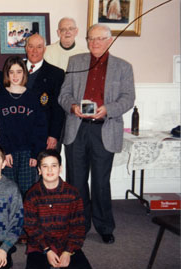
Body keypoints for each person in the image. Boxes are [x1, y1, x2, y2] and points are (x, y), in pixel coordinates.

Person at [58, 24, 135, 244]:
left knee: (101, 182)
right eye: (91, 38)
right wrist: (72, 107)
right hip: (77, 129)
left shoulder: (123, 67)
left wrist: (108, 109)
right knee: (76, 181)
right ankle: (79, 225)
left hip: (105, 128)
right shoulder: (76, 62)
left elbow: (128, 98)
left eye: (100, 38)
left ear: (110, 41)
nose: (95, 43)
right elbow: (64, 94)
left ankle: (104, 226)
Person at [23, 149, 94, 269]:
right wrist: (47, 250)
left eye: (54, 166)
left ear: (60, 168)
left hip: (66, 243)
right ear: (39, 170)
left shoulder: (72, 194)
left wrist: (68, 251)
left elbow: (79, 226)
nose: (50, 170)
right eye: (45, 166)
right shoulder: (32, 195)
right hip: (40, 246)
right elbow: (31, 227)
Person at [0, 56, 47, 196]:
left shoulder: (33, 96)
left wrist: (36, 153)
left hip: (28, 152)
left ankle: (26, 218)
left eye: (18, 71)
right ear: (7, 74)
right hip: (7, 152)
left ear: (24, 73)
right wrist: (5, 150)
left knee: (27, 191)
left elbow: (40, 127)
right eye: (11, 72)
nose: (15, 76)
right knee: (7, 191)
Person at [25, 34, 65, 151]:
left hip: (45, 134)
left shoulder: (56, 74)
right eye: (31, 46)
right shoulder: (15, 70)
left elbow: (58, 108)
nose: (34, 51)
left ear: (45, 49)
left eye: (39, 47)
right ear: (26, 48)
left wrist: (54, 135)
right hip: (20, 134)